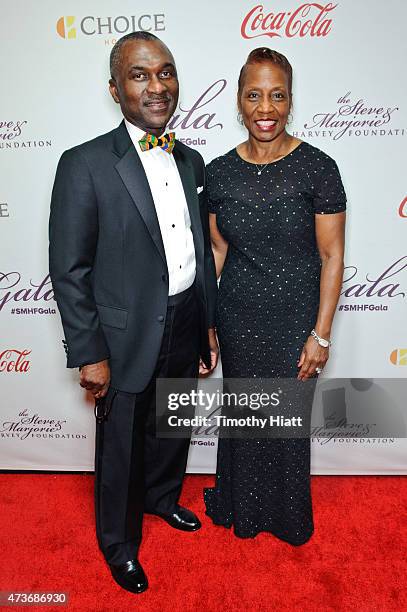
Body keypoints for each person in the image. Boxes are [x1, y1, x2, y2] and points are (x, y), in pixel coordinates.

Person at [49, 31, 218, 594]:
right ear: (115, 88)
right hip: (122, 335)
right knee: (121, 443)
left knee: (173, 425)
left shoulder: (191, 160)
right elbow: (70, 269)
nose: (156, 85)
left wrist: (207, 321)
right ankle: (118, 545)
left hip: (187, 317)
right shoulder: (85, 163)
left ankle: (163, 499)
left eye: (165, 72)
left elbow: (197, 247)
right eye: (140, 75)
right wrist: (89, 351)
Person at [203, 48, 346, 544]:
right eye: (254, 95)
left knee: (285, 420)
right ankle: (241, 507)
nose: (266, 107)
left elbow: (332, 257)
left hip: (293, 320)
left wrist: (321, 336)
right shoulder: (219, 172)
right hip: (238, 314)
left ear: (290, 101)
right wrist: (208, 321)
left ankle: (286, 518)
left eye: (277, 95)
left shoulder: (318, 168)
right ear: (239, 102)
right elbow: (217, 253)